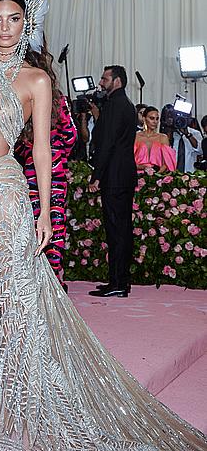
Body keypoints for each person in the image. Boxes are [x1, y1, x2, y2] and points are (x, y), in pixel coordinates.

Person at [0, 0, 207, 451]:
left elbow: (38, 149)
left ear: (27, 22)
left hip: (4, 190)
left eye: (15, 20)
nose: (5, 29)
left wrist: (41, 209)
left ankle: (21, 398)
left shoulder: (36, 80)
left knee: (9, 296)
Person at [15, 93, 76, 290]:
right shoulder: (58, 99)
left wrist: (29, 152)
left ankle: (35, 278)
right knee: (54, 221)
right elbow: (71, 135)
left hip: (32, 168)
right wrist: (57, 148)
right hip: (55, 168)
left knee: (33, 221)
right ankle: (53, 279)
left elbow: (16, 139)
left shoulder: (22, 92)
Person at [88, 66, 137, 298]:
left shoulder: (115, 106)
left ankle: (117, 283)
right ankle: (120, 281)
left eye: (105, 78)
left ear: (117, 81)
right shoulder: (124, 105)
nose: (100, 82)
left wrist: (96, 175)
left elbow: (106, 143)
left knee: (117, 231)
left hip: (114, 177)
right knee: (122, 230)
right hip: (123, 175)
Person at [134, 106, 176, 172]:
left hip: (157, 178)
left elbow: (167, 162)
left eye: (157, 119)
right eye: (152, 118)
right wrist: (142, 167)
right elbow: (128, 159)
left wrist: (156, 176)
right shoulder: (136, 136)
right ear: (144, 119)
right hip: (136, 177)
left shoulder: (163, 138)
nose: (155, 121)